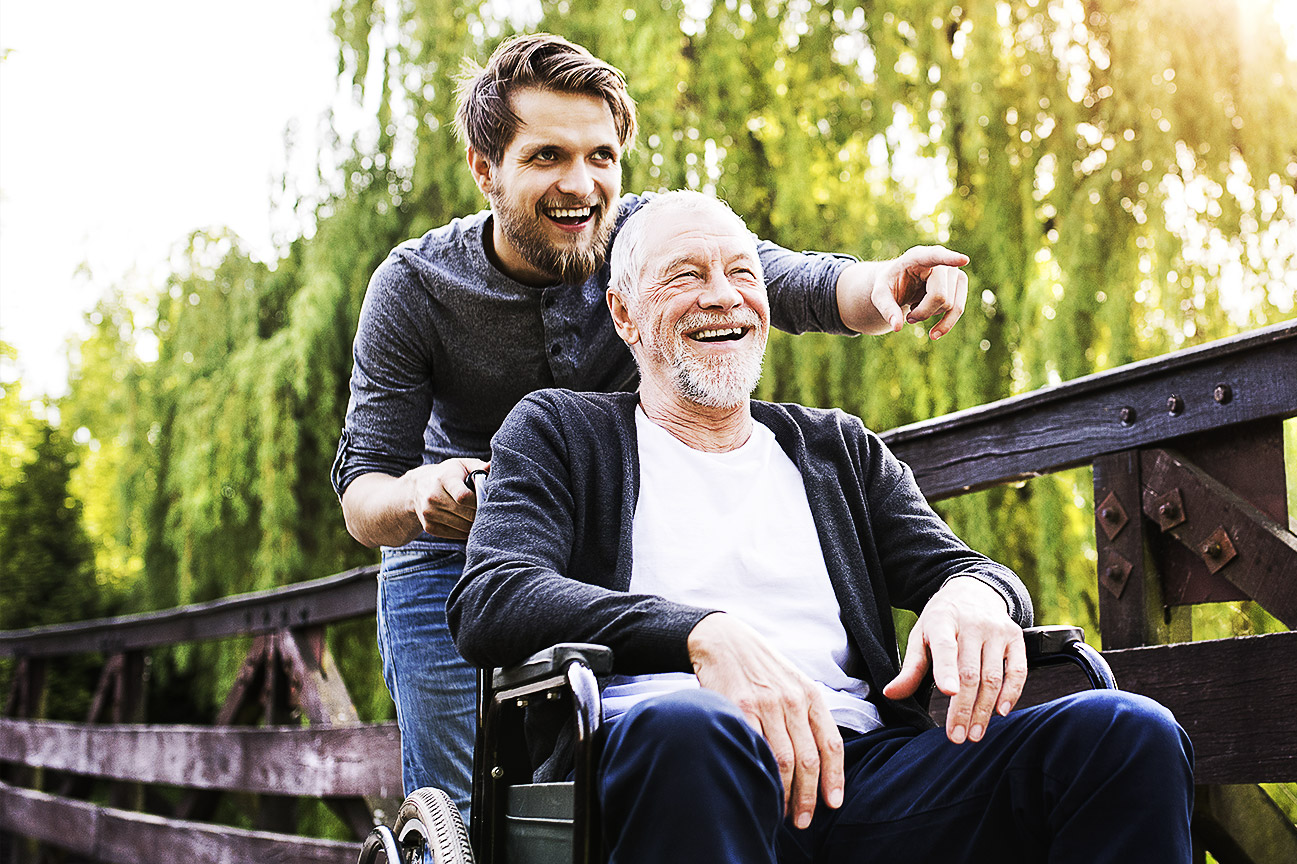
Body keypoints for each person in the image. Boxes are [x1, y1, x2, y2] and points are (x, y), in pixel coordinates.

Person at [331, 34, 975, 814]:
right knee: (470, 810)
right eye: (546, 157)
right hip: (453, 553)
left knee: (615, 770)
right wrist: (421, 496)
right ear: (483, 168)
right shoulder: (414, 287)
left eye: (601, 156)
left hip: (603, 537)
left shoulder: (646, 241)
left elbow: (788, 281)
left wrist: (890, 285)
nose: (581, 184)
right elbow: (363, 497)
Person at [450, 190, 1194, 863]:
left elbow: (962, 568)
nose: (724, 299)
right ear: (624, 314)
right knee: (694, 730)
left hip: (858, 775)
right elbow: (493, 598)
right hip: (665, 767)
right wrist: (700, 634)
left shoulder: (836, 448)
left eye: (743, 275)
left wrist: (976, 594)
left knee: (1128, 736)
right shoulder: (560, 431)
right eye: (685, 277)